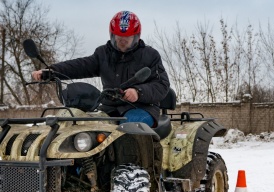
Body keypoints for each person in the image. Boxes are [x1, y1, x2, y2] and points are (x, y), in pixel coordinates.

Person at [31, 10, 170, 127]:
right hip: (109, 108)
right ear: (112, 35)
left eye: (127, 39)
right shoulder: (103, 54)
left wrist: (138, 92)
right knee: (79, 124)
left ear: (136, 37)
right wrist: (51, 71)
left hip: (142, 108)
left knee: (128, 127)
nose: (122, 42)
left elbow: (162, 85)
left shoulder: (150, 55)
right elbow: (80, 65)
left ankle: (133, 160)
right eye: (119, 38)